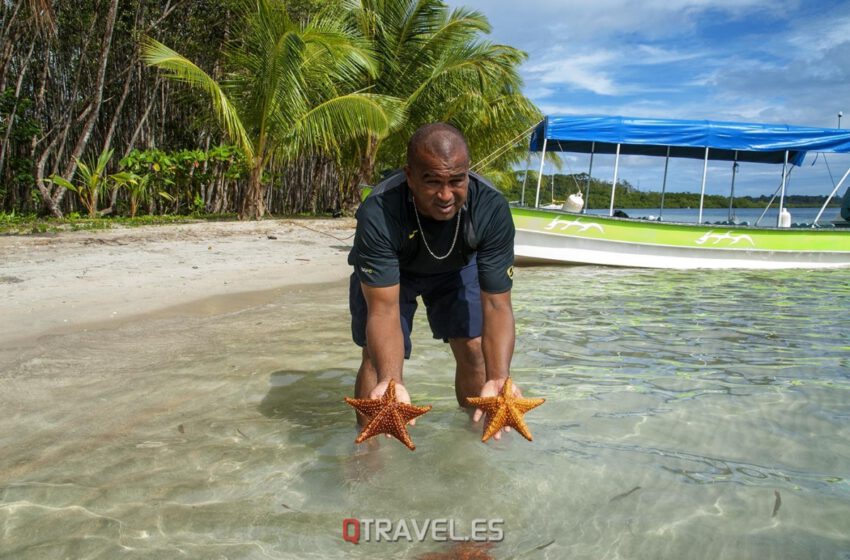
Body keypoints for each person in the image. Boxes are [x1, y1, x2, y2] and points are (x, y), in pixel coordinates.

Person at [348, 122, 524, 440]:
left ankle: (477, 439)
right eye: (432, 182)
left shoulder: (491, 208)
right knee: (376, 360)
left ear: (468, 173)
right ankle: (368, 448)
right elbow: (383, 311)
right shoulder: (379, 211)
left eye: (456, 181)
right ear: (410, 176)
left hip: (455, 268)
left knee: (473, 347)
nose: (445, 195)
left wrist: (500, 378)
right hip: (393, 273)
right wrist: (392, 381)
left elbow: (497, 304)